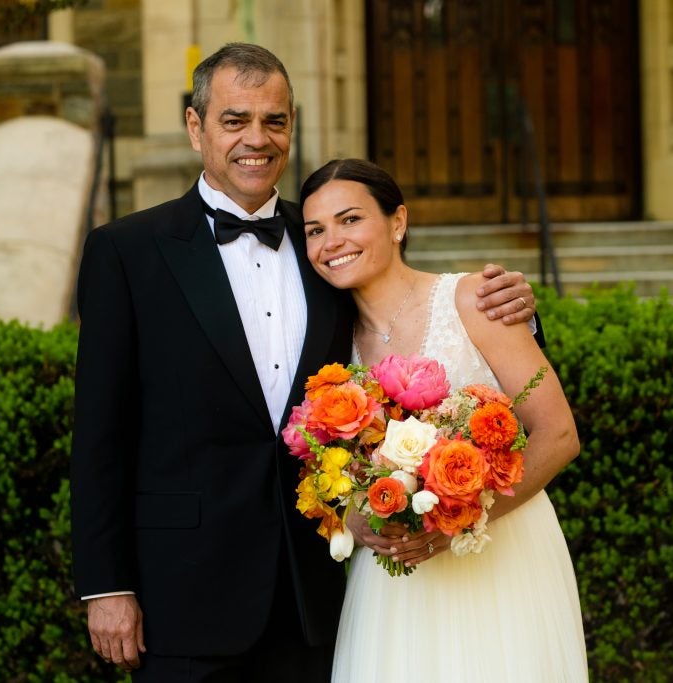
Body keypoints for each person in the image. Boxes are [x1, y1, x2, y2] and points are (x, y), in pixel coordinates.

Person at [70, 43, 537, 682]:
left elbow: (420, 326)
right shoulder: (125, 252)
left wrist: (517, 308)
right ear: (195, 126)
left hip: (317, 590)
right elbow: (99, 432)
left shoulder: (329, 246)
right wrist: (105, 585)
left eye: (275, 121)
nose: (256, 139)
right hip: (183, 591)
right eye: (234, 120)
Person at [300, 158, 587, 682]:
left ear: (398, 222)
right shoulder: (328, 346)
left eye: (350, 220)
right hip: (395, 582)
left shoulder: (475, 300)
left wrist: (459, 522)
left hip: (500, 559)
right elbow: (333, 472)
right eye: (315, 230)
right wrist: (354, 520)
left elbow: (560, 434)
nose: (331, 242)